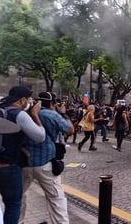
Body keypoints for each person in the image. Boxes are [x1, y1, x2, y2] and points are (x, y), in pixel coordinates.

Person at [19, 92, 74, 224]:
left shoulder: (23, 114)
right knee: (56, 198)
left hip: (25, 163)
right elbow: (70, 129)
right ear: (52, 103)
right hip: (45, 163)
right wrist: (63, 113)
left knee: (19, 195)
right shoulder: (51, 114)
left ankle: (18, 220)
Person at [0, 86, 45, 224]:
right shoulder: (18, 114)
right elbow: (40, 136)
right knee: (13, 204)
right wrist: (34, 115)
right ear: (22, 100)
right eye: (29, 99)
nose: (30, 101)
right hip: (9, 166)